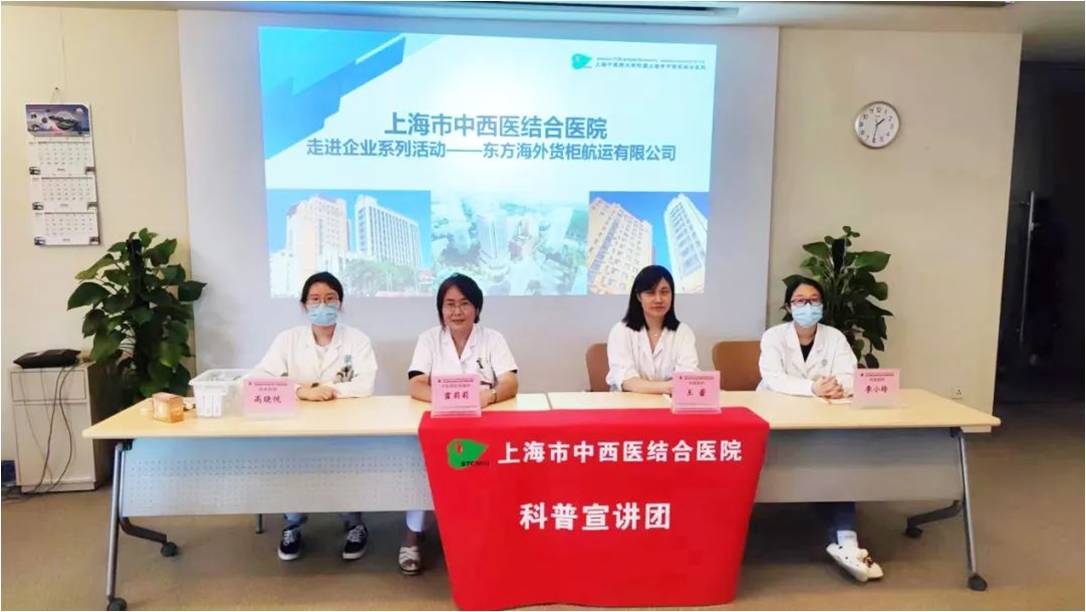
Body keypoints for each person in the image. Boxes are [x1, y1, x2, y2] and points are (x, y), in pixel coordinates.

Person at [757, 276, 883, 583]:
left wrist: (837, 387)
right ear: (789, 306)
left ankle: (847, 542)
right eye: (800, 300)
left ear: (823, 305)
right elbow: (773, 378)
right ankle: (842, 538)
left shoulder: (835, 337)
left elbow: (850, 375)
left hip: (824, 415)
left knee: (837, 461)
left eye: (814, 300)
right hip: (777, 416)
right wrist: (812, 388)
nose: (807, 306)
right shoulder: (773, 337)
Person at [254, 271, 377, 563]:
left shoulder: (357, 340)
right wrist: (300, 391)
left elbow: (365, 384)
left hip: (345, 422)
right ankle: (292, 524)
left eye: (330, 298)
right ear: (304, 305)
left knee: (346, 467)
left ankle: (354, 523)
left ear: (340, 303)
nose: (323, 305)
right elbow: (259, 378)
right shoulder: (288, 339)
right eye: (315, 299)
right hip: (296, 423)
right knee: (293, 465)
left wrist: (327, 390)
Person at [406, 273, 518, 574]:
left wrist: (489, 396)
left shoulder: (493, 339)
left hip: (483, 423)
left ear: (477, 308)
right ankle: (412, 535)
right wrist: (448, 401)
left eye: (464, 303)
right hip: (439, 422)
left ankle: (485, 536)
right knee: (421, 469)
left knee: (486, 477)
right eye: (449, 304)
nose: (457, 311)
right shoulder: (429, 339)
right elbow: (416, 384)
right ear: (441, 309)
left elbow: (510, 381)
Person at [605, 265, 698, 393]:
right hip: (629, 402)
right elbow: (627, 380)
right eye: (650, 292)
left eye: (664, 292)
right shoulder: (620, 331)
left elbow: (687, 376)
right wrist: (668, 387)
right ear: (639, 297)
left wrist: (668, 387)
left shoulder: (683, 332)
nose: (658, 299)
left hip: (670, 403)